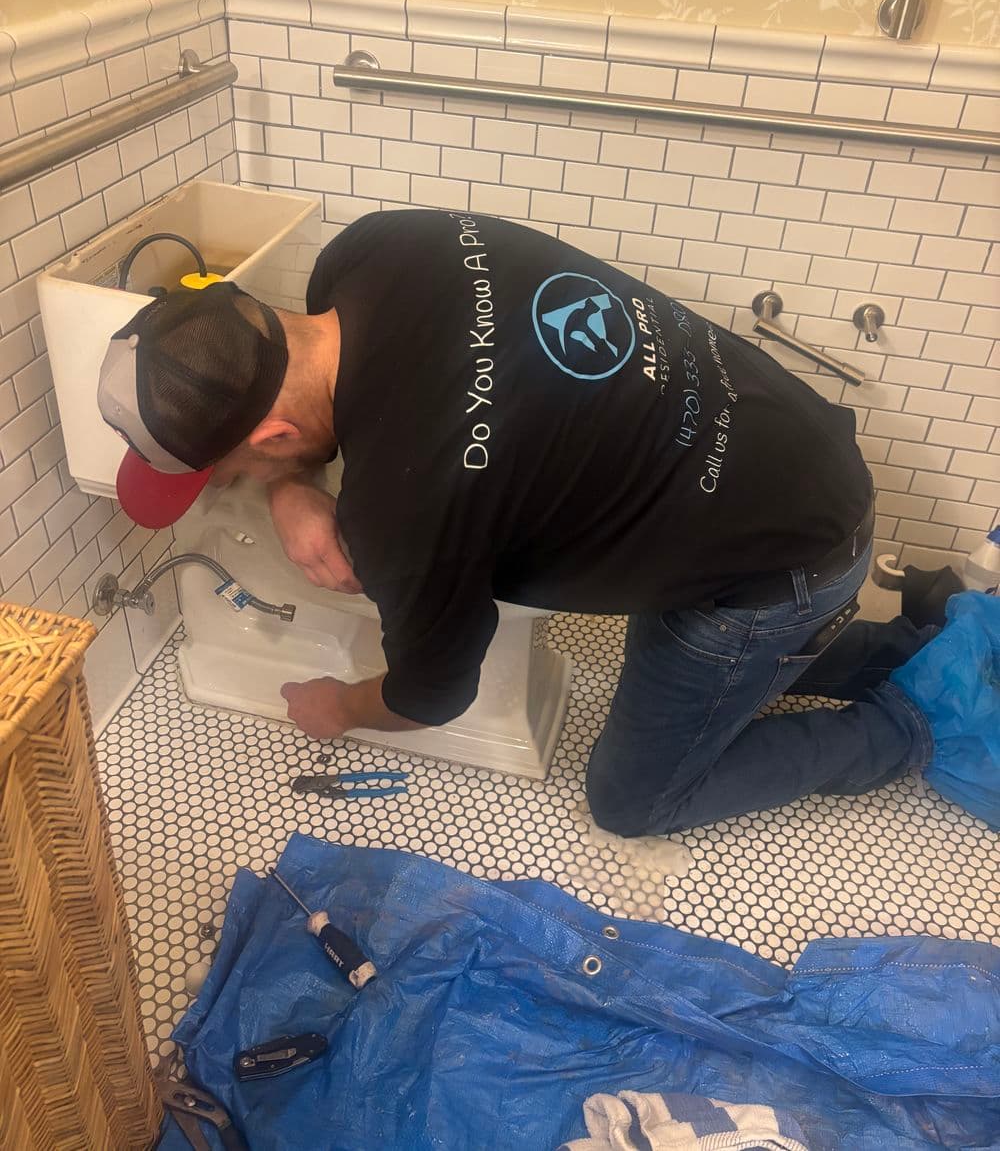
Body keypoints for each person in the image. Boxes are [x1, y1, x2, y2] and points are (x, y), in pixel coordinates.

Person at [97, 209, 934, 835]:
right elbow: (331, 411)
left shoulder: (402, 510)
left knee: (634, 800)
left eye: (235, 471)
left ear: (271, 435)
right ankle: (913, 649)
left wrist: (339, 705)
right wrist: (289, 488)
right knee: (716, 658)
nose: (237, 485)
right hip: (789, 448)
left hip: (777, 562)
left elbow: (432, 694)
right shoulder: (372, 252)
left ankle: (903, 732)